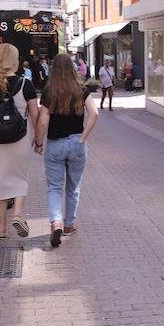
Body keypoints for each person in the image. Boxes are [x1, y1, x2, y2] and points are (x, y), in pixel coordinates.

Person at [0, 43, 39, 240]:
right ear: (16, 61)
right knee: (20, 177)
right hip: (21, 138)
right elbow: (35, 114)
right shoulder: (26, 84)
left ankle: (2, 227)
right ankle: (17, 214)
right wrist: (38, 137)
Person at [35, 53, 99, 247]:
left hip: (55, 144)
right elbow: (94, 113)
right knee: (73, 188)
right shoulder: (82, 89)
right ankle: (69, 225)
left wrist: (38, 142)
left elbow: (43, 121)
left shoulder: (49, 91)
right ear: (72, 69)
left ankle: (56, 223)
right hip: (77, 144)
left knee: (55, 187)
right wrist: (83, 137)